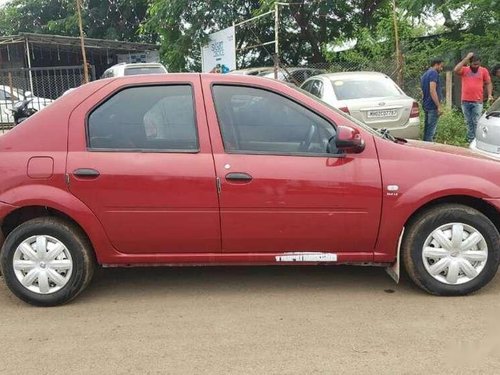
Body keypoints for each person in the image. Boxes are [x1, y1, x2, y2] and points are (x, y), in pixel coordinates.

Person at [454, 53, 493, 143]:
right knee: (468, 121)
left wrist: (490, 94)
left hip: (477, 101)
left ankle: (477, 139)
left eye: (478, 64)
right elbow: (456, 70)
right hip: (465, 101)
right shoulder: (464, 70)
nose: (476, 66)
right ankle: (470, 139)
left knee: (476, 121)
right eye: (474, 64)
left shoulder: (483, 71)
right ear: (469, 63)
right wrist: (466, 58)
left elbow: (488, 83)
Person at [420, 59, 444, 141]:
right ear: (436, 65)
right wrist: (438, 106)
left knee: (427, 129)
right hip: (432, 106)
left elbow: (423, 92)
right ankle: (428, 149)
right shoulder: (434, 73)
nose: (441, 69)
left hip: (426, 104)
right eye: (441, 66)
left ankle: (424, 147)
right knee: (431, 132)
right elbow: (432, 90)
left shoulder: (425, 74)